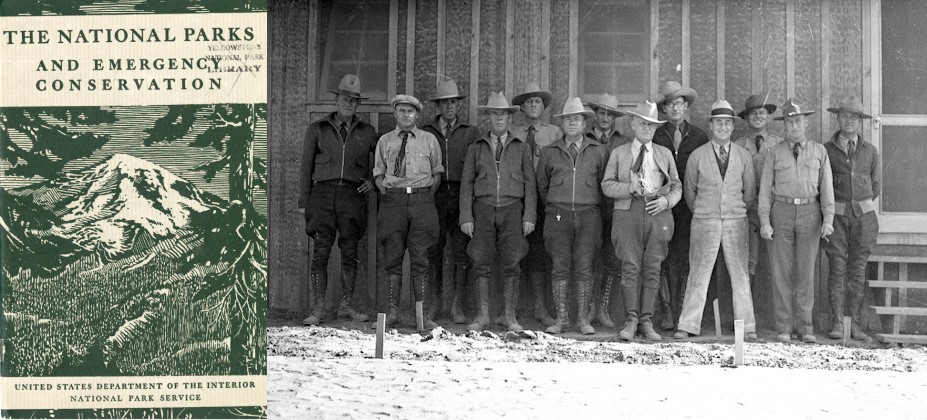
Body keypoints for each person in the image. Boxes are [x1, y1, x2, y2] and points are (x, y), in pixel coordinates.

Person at [674, 100, 758, 340]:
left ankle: (747, 327)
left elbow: (749, 193)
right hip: (704, 220)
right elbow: (690, 193)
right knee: (699, 272)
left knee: (740, 274)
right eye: (718, 122)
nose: (723, 127)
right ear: (711, 126)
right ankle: (688, 325)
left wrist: (733, 210)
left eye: (727, 123)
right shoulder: (698, 156)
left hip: (736, 221)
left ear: (733, 127)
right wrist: (706, 210)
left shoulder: (743, 156)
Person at [299, 74, 378, 325]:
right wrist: (304, 202)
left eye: (354, 101)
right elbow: (305, 167)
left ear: (358, 105)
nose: (349, 104)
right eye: (345, 99)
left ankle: (346, 305)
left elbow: (383, 162)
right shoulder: (317, 129)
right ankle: (318, 308)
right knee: (320, 252)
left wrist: (373, 182)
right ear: (336, 99)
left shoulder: (368, 132)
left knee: (350, 251)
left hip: (352, 197)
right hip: (322, 196)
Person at [602, 100, 682, 341]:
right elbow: (606, 185)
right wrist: (629, 187)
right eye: (643, 123)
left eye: (652, 125)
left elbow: (677, 186)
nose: (647, 128)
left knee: (653, 267)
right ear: (633, 124)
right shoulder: (619, 153)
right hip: (628, 212)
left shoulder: (664, 154)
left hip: (657, 213)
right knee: (630, 266)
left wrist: (666, 202)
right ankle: (631, 320)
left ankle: (647, 321)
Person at [759, 98, 835, 343]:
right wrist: (764, 221)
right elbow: (764, 190)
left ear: (806, 123)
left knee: (806, 271)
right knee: (781, 272)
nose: (794, 126)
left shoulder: (819, 151)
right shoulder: (775, 152)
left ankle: (805, 327)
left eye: (798, 121)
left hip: (810, 213)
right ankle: (784, 327)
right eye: (790, 122)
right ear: (784, 125)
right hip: (781, 211)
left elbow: (827, 189)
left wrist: (828, 219)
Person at [459, 92, 537, 332]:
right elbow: (467, 185)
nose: (500, 118)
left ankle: (509, 316)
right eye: (495, 114)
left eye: (504, 114)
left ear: (510, 117)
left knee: (512, 262)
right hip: (482, 210)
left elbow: (531, 184)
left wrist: (529, 216)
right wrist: (466, 217)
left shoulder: (521, 148)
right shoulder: (476, 148)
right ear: (488, 118)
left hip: (513, 210)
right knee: (481, 260)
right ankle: (483, 315)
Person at [373, 94, 445, 330]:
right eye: (402, 111)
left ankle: (421, 316)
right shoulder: (385, 141)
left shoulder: (429, 140)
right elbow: (379, 174)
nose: (406, 115)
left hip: (422, 201)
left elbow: (437, 174)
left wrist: (421, 195)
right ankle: (392, 313)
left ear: (417, 115)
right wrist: (393, 193)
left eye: (410, 111)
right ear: (395, 114)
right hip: (393, 201)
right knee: (392, 258)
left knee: (421, 258)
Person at [536, 97, 607, 335]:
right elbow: (542, 186)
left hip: (589, 216)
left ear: (585, 124)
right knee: (560, 267)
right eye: (568, 119)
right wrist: (559, 205)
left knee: (585, 267)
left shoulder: (598, 151)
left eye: (577, 119)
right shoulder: (550, 152)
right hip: (558, 215)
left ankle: (583, 320)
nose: (573, 123)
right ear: (562, 124)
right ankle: (562, 319)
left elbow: (603, 186)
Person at [421, 78, 481, 324]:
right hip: (433, 195)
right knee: (432, 251)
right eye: (444, 103)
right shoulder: (426, 131)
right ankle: (433, 305)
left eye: (453, 102)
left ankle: (457, 306)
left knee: (460, 252)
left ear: (458, 105)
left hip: (460, 195)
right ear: (438, 106)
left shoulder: (471, 132)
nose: (449, 107)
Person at [822, 96, 880, 341]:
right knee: (837, 268)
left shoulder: (870, 151)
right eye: (845, 116)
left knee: (857, 270)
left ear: (860, 122)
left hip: (864, 220)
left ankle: (854, 323)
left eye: (854, 117)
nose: (849, 121)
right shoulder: (826, 150)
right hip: (836, 218)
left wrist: (859, 207)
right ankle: (837, 322)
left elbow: (875, 186)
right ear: (837, 119)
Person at [652, 81, 709, 330]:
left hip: (688, 208)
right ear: (663, 109)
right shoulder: (655, 134)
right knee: (662, 258)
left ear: (686, 107)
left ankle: (681, 310)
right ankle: (665, 310)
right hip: (662, 206)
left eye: (679, 103)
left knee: (685, 258)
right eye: (670, 104)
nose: (675, 108)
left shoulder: (699, 136)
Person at [511, 82, 564, 327]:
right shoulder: (512, 131)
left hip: (544, 199)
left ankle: (541, 307)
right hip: (516, 197)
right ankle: (512, 308)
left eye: (538, 102)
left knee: (540, 254)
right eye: (529, 101)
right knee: (513, 251)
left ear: (544, 107)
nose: (534, 105)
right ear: (521, 107)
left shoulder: (554, 133)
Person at [585, 93, 632, 328]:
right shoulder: (584, 138)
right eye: (601, 113)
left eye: (609, 114)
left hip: (615, 208)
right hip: (589, 206)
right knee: (590, 257)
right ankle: (589, 308)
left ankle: (604, 308)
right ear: (595, 114)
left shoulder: (623, 143)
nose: (605, 118)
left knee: (613, 259)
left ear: (615, 118)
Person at [734, 95, 784, 281]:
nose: (758, 116)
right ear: (746, 118)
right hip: (748, 208)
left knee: (778, 260)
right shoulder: (738, 146)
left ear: (769, 116)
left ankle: (772, 308)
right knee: (749, 260)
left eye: (762, 112)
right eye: (753, 113)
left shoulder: (780, 144)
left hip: (775, 207)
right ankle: (748, 308)